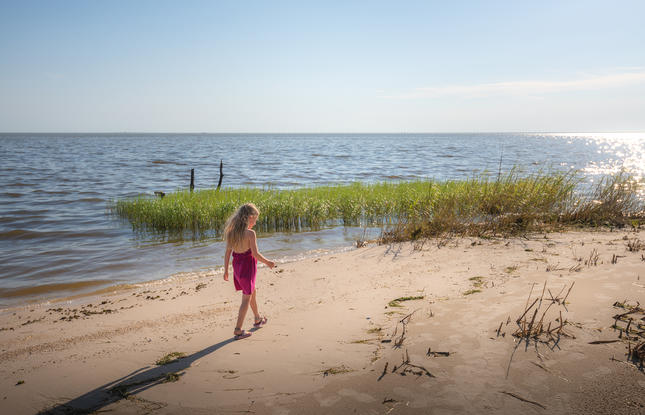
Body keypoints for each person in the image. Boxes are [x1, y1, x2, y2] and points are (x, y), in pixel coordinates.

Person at [223, 203, 275, 340]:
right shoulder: (250, 233)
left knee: (252, 291)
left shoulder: (232, 232)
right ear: (249, 218)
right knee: (246, 297)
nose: (256, 222)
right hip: (248, 267)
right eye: (255, 219)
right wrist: (268, 262)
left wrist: (226, 270)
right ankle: (238, 330)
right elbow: (255, 254)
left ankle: (257, 319)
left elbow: (227, 253)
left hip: (237, 268)